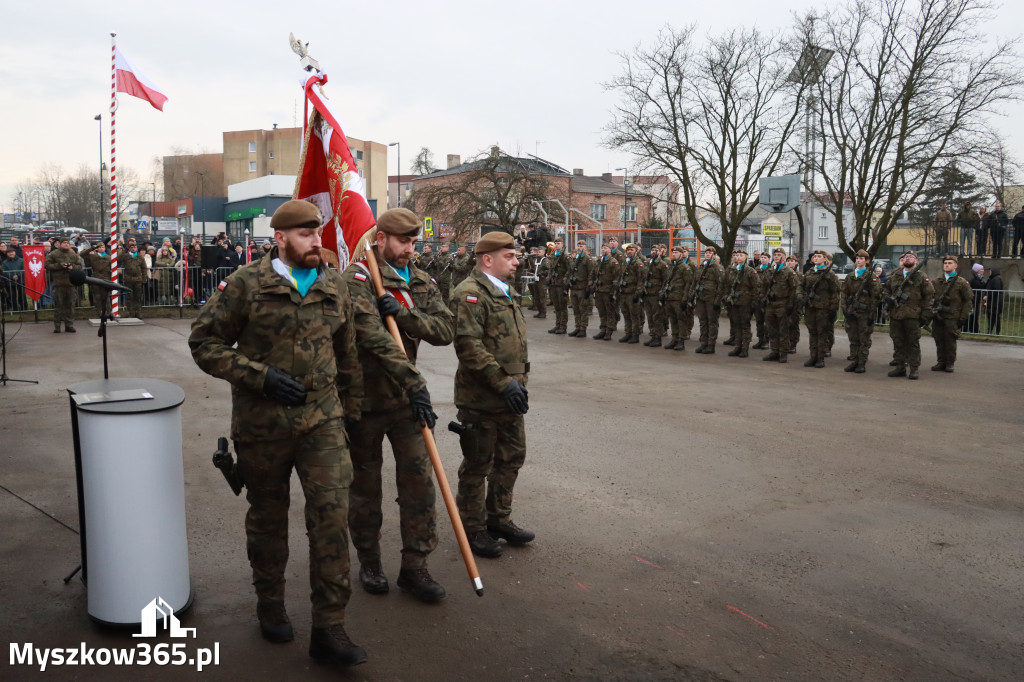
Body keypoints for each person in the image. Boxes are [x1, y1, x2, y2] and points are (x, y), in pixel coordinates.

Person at [188, 199, 367, 668]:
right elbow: (204, 343)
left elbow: (347, 354)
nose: (316, 241)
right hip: (262, 426)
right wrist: (258, 376)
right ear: (281, 238)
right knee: (268, 518)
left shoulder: (335, 284)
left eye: (319, 232)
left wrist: (353, 411)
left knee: (331, 518)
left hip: (323, 422)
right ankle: (270, 602)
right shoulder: (247, 283)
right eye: (305, 234)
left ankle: (329, 627)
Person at [341, 208, 454, 604]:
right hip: (363, 402)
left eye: (413, 242)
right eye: (402, 241)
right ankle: (370, 562)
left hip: (407, 402)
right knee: (365, 489)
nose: (409, 249)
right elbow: (371, 336)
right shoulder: (358, 278)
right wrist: (415, 382)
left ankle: (415, 565)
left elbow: (445, 330)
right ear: (381, 239)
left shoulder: (420, 280)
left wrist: (405, 315)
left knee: (420, 484)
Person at [450, 231, 534, 559]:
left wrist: (515, 384)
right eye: (509, 257)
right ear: (488, 259)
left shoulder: (505, 290)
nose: (516, 261)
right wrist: (504, 383)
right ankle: (473, 528)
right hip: (482, 397)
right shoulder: (469, 293)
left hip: (510, 394)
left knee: (511, 458)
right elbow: (469, 346)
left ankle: (499, 518)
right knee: (478, 463)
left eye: (515, 256)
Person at [885, 251, 934, 380]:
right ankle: (900, 367)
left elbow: (929, 297)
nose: (908, 258)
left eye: (911, 257)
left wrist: (925, 315)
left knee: (913, 343)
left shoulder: (921, 277)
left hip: (913, 315)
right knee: (898, 342)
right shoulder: (895, 275)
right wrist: (887, 299)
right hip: (896, 314)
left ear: (916, 261)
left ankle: (914, 369)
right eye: (906, 257)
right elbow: (886, 289)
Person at [840, 250, 881, 373]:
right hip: (852, 312)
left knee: (863, 338)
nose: (858, 260)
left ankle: (861, 362)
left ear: (867, 261)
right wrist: (844, 308)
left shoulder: (871, 277)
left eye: (861, 258)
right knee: (853, 337)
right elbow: (844, 293)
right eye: (857, 258)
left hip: (864, 312)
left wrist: (872, 314)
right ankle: (855, 360)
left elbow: (876, 296)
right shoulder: (850, 276)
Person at [930, 255, 973, 372]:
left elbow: (967, 301)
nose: (947, 265)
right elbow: (930, 298)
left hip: (952, 317)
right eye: (945, 263)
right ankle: (941, 361)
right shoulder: (936, 281)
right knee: (939, 339)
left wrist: (963, 317)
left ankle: (950, 362)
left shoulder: (961, 282)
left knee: (950, 341)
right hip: (938, 316)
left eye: (950, 263)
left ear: (956, 265)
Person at [800, 250, 840, 368]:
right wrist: (800, 296)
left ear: (824, 259)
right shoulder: (810, 272)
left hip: (823, 308)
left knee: (821, 333)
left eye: (819, 256)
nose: (816, 258)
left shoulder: (829, 274)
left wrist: (833, 309)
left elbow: (835, 292)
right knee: (812, 332)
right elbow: (801, 286)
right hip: (810, 307)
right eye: (815, 256)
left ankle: (820, 358)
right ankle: (813, 356)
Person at [762, 248, 799, 363]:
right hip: (770, 303)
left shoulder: (788, 271)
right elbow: (764, 284)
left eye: (779, 255)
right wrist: (763, 298)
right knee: (771, 329)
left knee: (783, 330)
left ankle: (783, 353)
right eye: (775, 255)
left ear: (784, 256)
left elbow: (794, 289)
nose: (776, 257)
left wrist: (791, 304)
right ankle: (775, 351)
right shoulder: (770, 270)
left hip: (783, 303)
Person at [722, 248, 760, 358]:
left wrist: (753, 302)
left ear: (746, 257)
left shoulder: (750, 271)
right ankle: (737, 346)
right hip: (734, 302)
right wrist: (726, 296)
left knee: (745, 326)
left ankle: (745, 348)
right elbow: (727, 284)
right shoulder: (733, 270)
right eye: (737, 255)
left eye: (741, 255)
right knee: (737, 325)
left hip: (745, 302)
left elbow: (757, 287)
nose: (738, 257)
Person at [44, 237, 83, 333]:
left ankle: (69, 325)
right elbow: (47, 265)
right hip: (59, 284)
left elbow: (79, 266)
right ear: (60, 244)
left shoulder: (73, 254)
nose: (66, 244)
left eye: (67, 243)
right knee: (59, 306)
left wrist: (71, 267)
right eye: (64, 243)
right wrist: (59, 265)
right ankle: (57, 326)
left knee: (70, 306)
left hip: (70, 283)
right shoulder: (54, 254)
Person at [661, 245, 693, 351]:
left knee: (681, 320)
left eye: (676, 253)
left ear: (680, 254)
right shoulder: (670, 266)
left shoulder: (685, 267)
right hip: (670, 297)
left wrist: (685, 299)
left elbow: (688, 284)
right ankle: (674, 339)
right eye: (673, 253)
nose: (674, 254)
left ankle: (681, 341)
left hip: (679, 298)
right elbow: (666, 281)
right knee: (673, 320)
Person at [616, 243, 646, 344]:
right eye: (628, 250)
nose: (629, 251)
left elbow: (641, 279)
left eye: (631, 250)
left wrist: (638, 293)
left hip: (632, 293)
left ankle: (635, 335)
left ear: (636, 251)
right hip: (624, 293)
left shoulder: (638, 263)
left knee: (634, 316)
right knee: (626, 315)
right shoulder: (625, 262)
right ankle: (628, 333)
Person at [567, 240, 597, 337]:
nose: (579, 248)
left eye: (581, 246)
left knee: (583, 309)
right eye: (578, 246)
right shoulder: (576, 259)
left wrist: (589, 287)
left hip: (582, 288)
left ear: (585, 247)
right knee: (576, 309)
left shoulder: (587, 259)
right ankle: (577, 327)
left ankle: (583, 329)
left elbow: (591, 274)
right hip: (574, 287)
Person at [641, 244, 670, 346]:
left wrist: (662, 293)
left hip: (656, 294)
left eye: (656, 250)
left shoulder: (662, 264)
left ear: (660, 252)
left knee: (657, 317)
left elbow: (666, 280)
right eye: (652, 250)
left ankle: (658, 338)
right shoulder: (648, 263)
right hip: (648, 294)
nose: (654, 252)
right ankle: (653, 336)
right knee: (650, 316)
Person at [592, 243, 621, 340]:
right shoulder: (599, 261)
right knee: (601, 311)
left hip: (608, 291)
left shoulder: (613, 262)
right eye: (602, 248)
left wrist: (613, 291)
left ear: (609, 250)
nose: (603, 250)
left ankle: (609, 331)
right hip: (599, 290)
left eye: (605, 248)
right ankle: (602, 329)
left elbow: (617, 277)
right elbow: (594, 274)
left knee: (610, 312)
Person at [545, 237, 571, 334]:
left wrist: (565, 280)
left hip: (561, 284)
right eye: (555, 243)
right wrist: (548, 278)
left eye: (558, 243)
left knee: (562, 306)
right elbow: (551, 269)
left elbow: (569, 269)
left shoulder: (565, 256)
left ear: (562, 244)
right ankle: (557, 324)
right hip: (554, 284)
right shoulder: (553, 255)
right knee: (556, 307)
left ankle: (563, 326)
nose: (556, 245)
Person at [82, 241, 112, 316]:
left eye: (103, 247)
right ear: (97, 249)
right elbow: (82, 254)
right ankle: (99, 312)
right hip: (96, 278)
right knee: (97, 297)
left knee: (106, 297)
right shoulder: (93, 256)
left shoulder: (109, 258)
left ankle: (108, 312)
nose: (101, 248)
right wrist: (92, 248)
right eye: (99, 247)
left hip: (106, 278)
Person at [121, 239, 148, 318]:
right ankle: (131, 313)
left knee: (138, 297)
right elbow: (119, 258)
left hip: (138, 279)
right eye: (132, 247)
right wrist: (123, 250)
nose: (133, 248)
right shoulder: (126, 256)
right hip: (128, 279)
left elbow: (143, 268)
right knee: (130, 297)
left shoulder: (140, 257)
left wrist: (144, 278)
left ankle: (138, 312)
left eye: (135, 247)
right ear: (129, 248)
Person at [752, 251, 771, 349]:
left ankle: (766, 341)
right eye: (762, 257)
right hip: (757, 299)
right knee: (759, 321)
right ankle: (760, 339)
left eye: (765, 257)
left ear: (769, 259)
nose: (763, 259)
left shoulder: (771, 270)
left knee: (767, 321)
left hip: (766, 300)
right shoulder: (756, 269)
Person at [964, 263, 986, 333]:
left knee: (974, 315)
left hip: (976, 299)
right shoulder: (973, 278)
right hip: (972, 299)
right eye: (981, 269)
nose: (983, 271)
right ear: (977, 270)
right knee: (971, 314)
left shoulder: (979, 278)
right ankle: (968, 329)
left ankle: (973, 329)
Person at [1, 247, 25, 311]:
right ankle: (15, 308)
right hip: (10, 282)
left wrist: (17, 275)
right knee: (12, 296)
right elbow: (4, 271)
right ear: (7, 254)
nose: (11, 253)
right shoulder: (4, 262)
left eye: (12, 252)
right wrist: (12, 276)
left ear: (15, 252)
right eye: (9, 252)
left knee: (22, 295)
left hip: (20, 281)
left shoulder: (21, 260)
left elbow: (23, 269)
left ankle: (24, 307)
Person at [983, 267, 1005, 335]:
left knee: (995, 317)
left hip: (996, 301)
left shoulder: (996, 279)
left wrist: (988, 296)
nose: (989, 272)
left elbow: (995, 290)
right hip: (991, 301)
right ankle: (990, 330)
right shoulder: (991, 279)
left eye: (990, 271)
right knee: (990, 317)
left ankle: (997, 332)